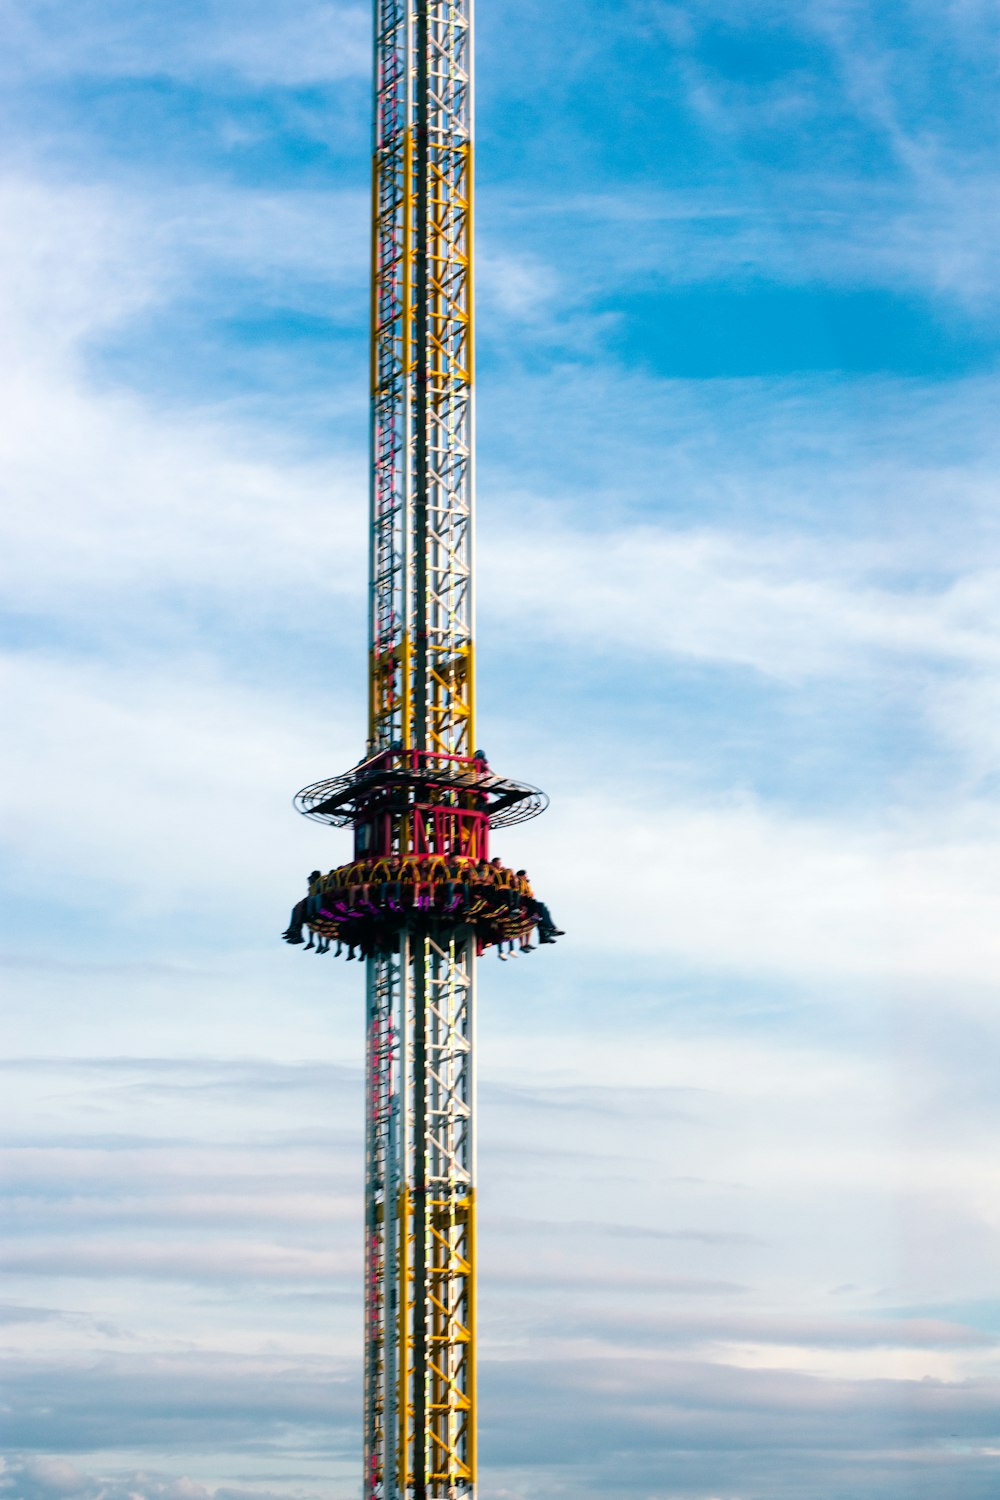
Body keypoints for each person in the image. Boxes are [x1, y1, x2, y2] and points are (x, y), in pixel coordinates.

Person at [515, 869, 564, 943]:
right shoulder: (518, 883)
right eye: (525, 875)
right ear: (520, 876)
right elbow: (518, 894)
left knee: (541, 915)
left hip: (529, 901)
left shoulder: (526, 883)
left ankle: (545, 936)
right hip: (525, 902)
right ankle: (551, 929)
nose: (526, 876)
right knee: (541, 907)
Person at [282, 870, 322, 945]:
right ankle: (293, 929)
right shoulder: (311, 888)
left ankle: (296, 931)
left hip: (315, 906)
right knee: (296, 908)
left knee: (299, 907)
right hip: (310, 905)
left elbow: (316, 895)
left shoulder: (320, 883)